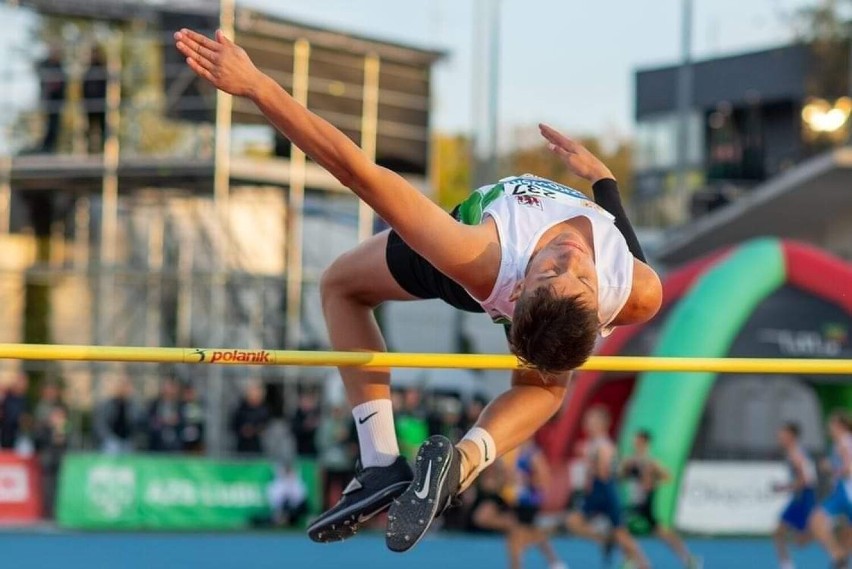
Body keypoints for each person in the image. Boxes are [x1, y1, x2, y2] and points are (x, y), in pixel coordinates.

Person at [173, 29, 662, 550]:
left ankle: (383, 461)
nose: (572, 257)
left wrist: (258, 88)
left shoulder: (480, 255)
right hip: (552, 311)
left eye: (560, 274)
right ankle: (459, 461)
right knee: (544, 387)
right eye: (572, 273)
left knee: (341, 285)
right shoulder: (631, 290)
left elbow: (358, 173)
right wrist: (606, 183)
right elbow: (631, 257)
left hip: (463, 271)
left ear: (518, 291)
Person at [566, 407, 649, 568]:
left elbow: (604, 472)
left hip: (605, 491)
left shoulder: (604, 444)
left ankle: (644, 565)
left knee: (621, 534)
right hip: (595, 491)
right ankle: (605, 540)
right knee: (573, 523)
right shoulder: (592, 444)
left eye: (590, 420)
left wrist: (589, 462)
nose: (586, 423)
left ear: (601, 424)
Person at [622, 430, 701, 568]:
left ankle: (688, 558)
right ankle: (631, 561)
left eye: (638, 441)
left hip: (646, 504)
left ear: (645, 443)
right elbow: (622, 476)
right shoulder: (631, 460)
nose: (635, 444)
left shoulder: (651, 462)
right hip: (635, 503)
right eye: (634, 441)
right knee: (624, 530)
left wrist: (653, 481)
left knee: (660, 533)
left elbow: (668, 476)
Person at [467, 460, 567, 569]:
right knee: (519, 533)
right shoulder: (488, 490)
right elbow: (481, 517)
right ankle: (553, 561)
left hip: (511, 519)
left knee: (527, 534)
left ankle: (554, 562)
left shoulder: (512, 493)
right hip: (483, 521)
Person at [771, 422, 817, 569]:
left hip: (803, 497)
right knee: (787, 536)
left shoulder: (796, 453)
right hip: (800, 496)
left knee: (797, 538)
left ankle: (832, 531)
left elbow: (805, 480)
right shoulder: (795, 451)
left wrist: (784, 487)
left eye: (782, 434)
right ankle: (786, 566)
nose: (779, 437)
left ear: (791, 436)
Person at [809, 411, 852, 568]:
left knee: (816, 521)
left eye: (831, 426)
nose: (829, 429)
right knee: (846, 534)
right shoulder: (842, 442)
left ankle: (838, 556)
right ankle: (841, 560)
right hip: (844, 491)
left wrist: (830, 467)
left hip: (845, 492)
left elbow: (848, 469)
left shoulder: (843, 442)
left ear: (839, 426)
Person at [94, 378, 140, 454]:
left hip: (128, 441)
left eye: (127, 388)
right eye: (122, 387)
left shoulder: (133, 406)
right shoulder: (109, 404)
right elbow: (100, 423)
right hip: (111, 440)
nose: (124, 390)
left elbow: (137, 422)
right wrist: (107, 438)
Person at [231, 381, 269, 455]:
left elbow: (265, 426)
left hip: (257, 445)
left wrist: (255, 430)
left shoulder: (263, 410)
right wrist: (243, 430)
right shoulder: (240, 409)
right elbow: (234, 425)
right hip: (242, 445)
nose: (254, 395)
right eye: (252, 393)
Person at [147, 378, 183, 452]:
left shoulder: (179, 405)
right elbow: (151, 420)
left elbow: (181, 420)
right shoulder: (155, 404)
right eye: (166, 388)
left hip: (174, 441)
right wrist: (162, 421)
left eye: (170, 388)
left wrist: (174, 421)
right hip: (158, 441)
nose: (168, 391)